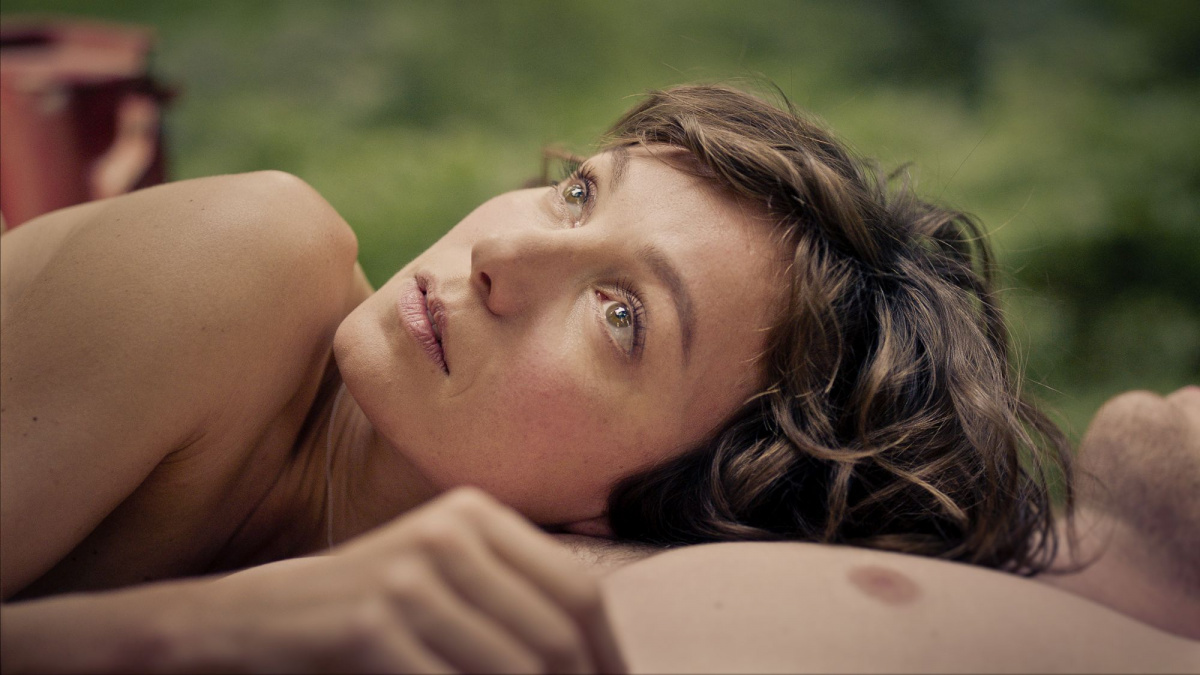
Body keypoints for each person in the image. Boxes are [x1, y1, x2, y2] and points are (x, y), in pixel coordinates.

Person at [1, 85, 1195, 672]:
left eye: (620, 316)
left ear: (661, 505)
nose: (505, 254)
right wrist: (191, 630)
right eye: (579, 193)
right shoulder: (243, 258)